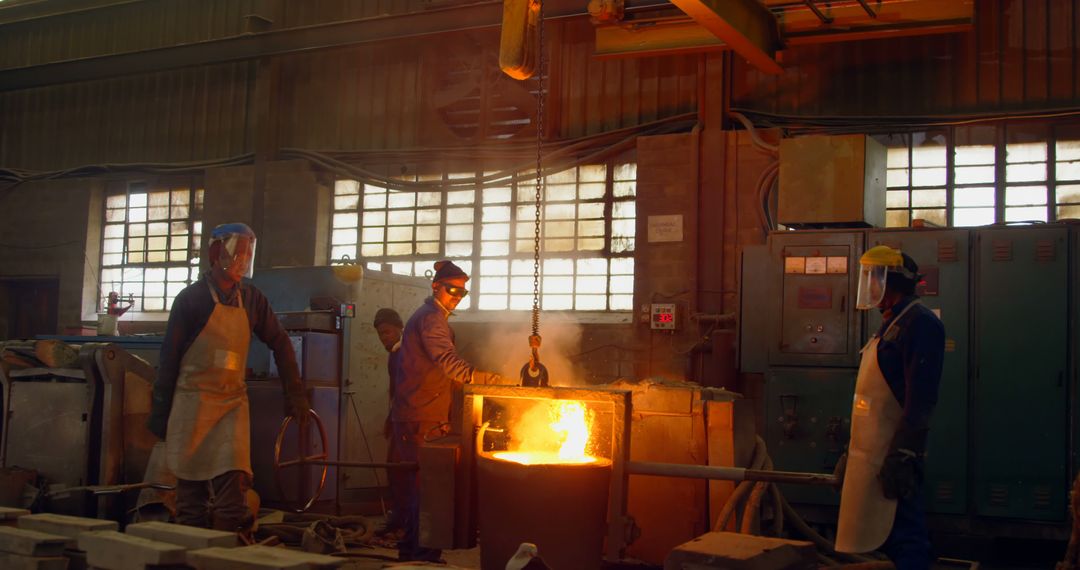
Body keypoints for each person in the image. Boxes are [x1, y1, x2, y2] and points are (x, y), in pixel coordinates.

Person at [147, 222, 310, 536]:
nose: (242, 260)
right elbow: (168, 361)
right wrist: (160, 411)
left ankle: (223, 553)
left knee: (233, 489)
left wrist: (295, 392)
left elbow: (280, 341)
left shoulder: (252, 299)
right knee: (190, 492)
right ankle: (189, 554)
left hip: (231, 405)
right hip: (193, 402)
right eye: (237, 251)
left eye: (248, 253)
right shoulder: (190, 300)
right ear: (215, 252)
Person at [835, 245, 945, 570]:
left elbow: (920, 399)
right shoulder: (891, 322)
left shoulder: (920, 324)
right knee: (886, 534)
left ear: (893, 281)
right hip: (870, 452)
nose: (868, 285)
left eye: (874, 277)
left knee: (905, 534)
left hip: (894, 453)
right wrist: (850, 450)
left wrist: (904, 455)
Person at [394, 260, 502, 562]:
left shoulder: (432, 317)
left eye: (462, 293)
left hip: (424, 412)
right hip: (421, 415)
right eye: (452, 290)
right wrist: (490, 380)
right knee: (426, 489)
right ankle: (419, 555)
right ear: (435, 286)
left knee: (423, 488)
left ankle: (415, 551)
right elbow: (449, 363)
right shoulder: (431, 319)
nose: (456, 296)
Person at [373, 307, 406, 537]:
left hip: (410, 419)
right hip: (399, 416)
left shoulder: (404, 352)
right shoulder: (394, 353)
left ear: (399, 329)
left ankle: (403, 518)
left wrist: (397, 417)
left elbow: (405, 390)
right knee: (394, 468)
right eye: (380, 334)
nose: (384, 337)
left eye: (387, 332)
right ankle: (399, 515)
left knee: (399, 469)